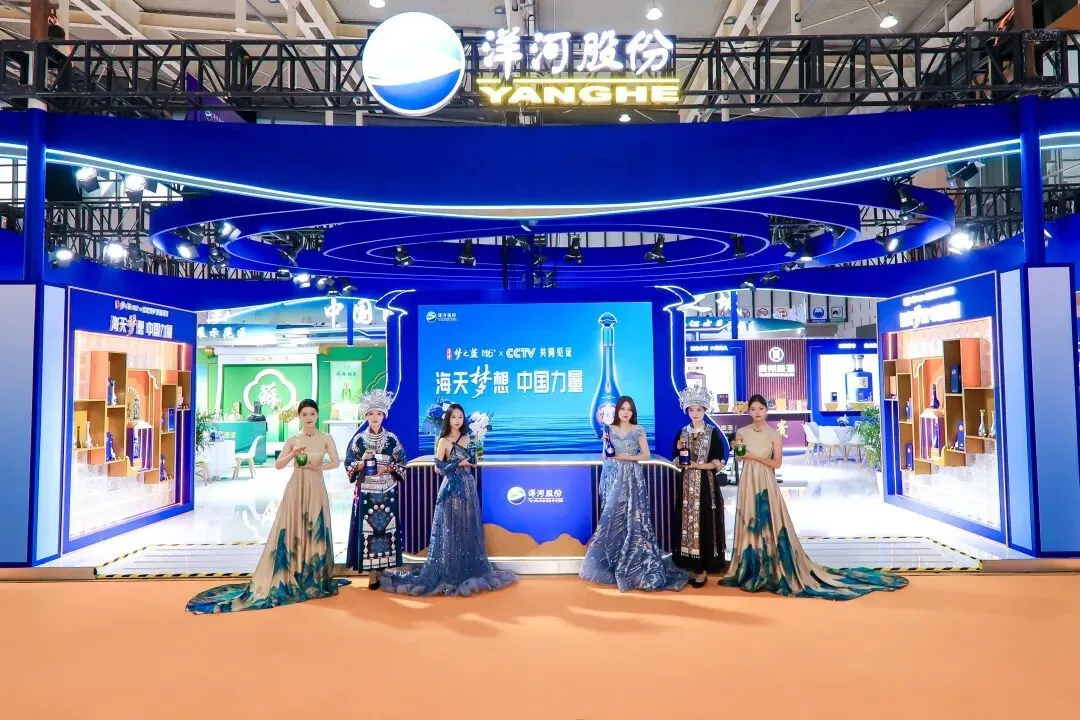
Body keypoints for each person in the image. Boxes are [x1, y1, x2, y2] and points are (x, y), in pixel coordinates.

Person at [721, 394, 908, 600]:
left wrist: (754, 457)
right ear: (749, 411)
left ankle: (770, 565)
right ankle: (749, 566)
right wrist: (740, 453)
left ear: (766, 411)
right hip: (748, 481)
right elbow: (740, 459)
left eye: (761, 409)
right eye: (753, 409)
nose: (757, 412)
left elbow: (777, 464)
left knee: (768, 519)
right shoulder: (742, 432)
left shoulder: (774, 435)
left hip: (766, 481)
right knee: (749, 518)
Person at [186, 399, 347, 614]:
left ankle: (315, 576)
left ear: (317, 415)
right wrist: (292, 454)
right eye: (304, 414)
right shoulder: (293, 439)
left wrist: (317, 467)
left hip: (317, 488)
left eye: (312, 414)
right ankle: (294, 573)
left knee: (316, 527)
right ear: (299, 417)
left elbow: (336, 462)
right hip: (296, 488)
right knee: (294, 527)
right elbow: (278, 465)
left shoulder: (326, 438)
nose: (309, 418)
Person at [381, 403, 517, 596]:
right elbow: (438, 468)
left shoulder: (470, 438)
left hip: (468, 486)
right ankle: (450, 571)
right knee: (449, 528)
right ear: (448, 419)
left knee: (468, 526)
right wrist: (459, 463)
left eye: (460, 417)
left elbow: (475, 463)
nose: (457, 420)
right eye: (454, 417)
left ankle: (466, 570)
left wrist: (474, 459)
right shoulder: (443, 441)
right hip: (450, 488)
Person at [580, 396, 688, 592]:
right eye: (623, 408)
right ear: (617, 410)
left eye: (629, 409)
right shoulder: (609, 430)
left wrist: (623, 456)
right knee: (613, 518)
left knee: (634, 518)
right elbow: (606, 456)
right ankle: (612, 562)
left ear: (633, 412)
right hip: (614, 478)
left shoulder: (638, 430)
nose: (626, 412)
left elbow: (645, 455)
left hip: (632, 477)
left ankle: (634, 565)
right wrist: (607, 446)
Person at [344, 389, 407, 590]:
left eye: (379, 413)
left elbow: (402, 463)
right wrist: (361, 463)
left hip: (387, 491)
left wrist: (387, 468)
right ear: (366, 415)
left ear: (384, 415)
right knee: (369, 532)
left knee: (386, 531)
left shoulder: (392, 439)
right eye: (371, 413)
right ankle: (372, 574)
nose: (375, 417)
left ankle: (384, 570)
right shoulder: (359, 440)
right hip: (367, 493)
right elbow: (349, 463)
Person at [672, 385, 730, 588]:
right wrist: (680, 454)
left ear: (705, 410)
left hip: (706, 486)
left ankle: (703, 569)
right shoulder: (682, 433)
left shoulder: (712, 433)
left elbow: (718, 462)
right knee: (686, 524)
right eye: (691, 409)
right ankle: (691, 566)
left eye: (698, 409)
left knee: (704, 522)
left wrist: (698, 466)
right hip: (686, 485)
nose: (695, 413)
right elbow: (676, 461)